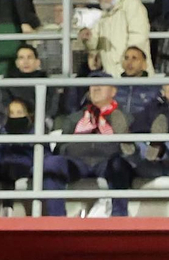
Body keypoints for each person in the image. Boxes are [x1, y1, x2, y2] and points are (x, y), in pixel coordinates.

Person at [44, 76, 137, 217]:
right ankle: (57, 220)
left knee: (119, 164)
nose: (96, 88)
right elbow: (59, 147)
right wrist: (69, 148)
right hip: (77, 161)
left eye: (101, 84)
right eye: (92, 85)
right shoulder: (75, 118)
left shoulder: (125, 117)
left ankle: (119, 218)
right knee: (51, 163)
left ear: (113, 91)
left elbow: (134, 151)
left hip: (107, 161)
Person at [82, 0, 151, 74]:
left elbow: (139, 36)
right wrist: (88, 38)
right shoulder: (104, 13)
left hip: (133, 74)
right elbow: (95, 40)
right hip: (111, 73)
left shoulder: (131, 4)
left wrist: (128, 61)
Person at [0, 43, 48, 119]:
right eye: (21, 58)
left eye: (29, 57)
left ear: (37, 62)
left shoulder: (47, 81)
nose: (25, 62)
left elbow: (50, 109)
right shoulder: (7, 82)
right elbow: (2, 106)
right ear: (17, 63)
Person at [114, 45, 159, 123]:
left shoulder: (154, 89)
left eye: (134, 58)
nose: (129, 62)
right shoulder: (114, 88)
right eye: (126, 58)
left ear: (144, 65)